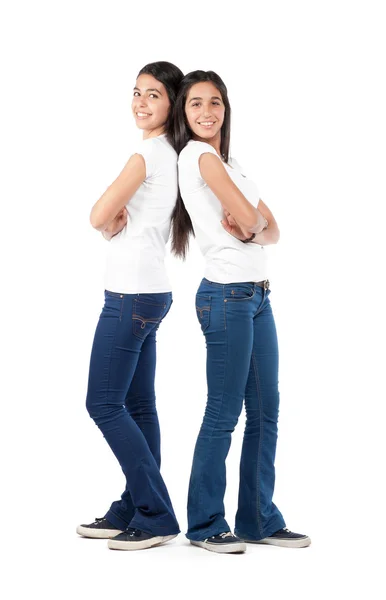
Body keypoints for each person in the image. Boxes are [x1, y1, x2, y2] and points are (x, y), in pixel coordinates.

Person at [172, 70, 311, 554]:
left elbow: (274, 229)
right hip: (226, 296)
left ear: (226, 108)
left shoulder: (230, 161)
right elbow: (255, 220)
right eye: (195, 104)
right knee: (223, 412)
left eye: (215, 102)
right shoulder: (199, 156)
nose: (207, 112)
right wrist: (253, 224)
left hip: (257, 296)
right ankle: (206, 522)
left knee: (266, 410)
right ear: (183, 113)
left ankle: (257, 518)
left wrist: (254, 226)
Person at [76, 61, 183, 551]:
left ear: (171, 103)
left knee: (102, 402)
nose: (140, 102)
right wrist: (109, 222)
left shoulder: (148, 155)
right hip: (150, 290)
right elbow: (110, 220)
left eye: (153, 95)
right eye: (136, 92)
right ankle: (134, 505)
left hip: (130, 294)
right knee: (138, 406)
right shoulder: (170, 154)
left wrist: (105, 221)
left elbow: (98, 214)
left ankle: (155, 512)